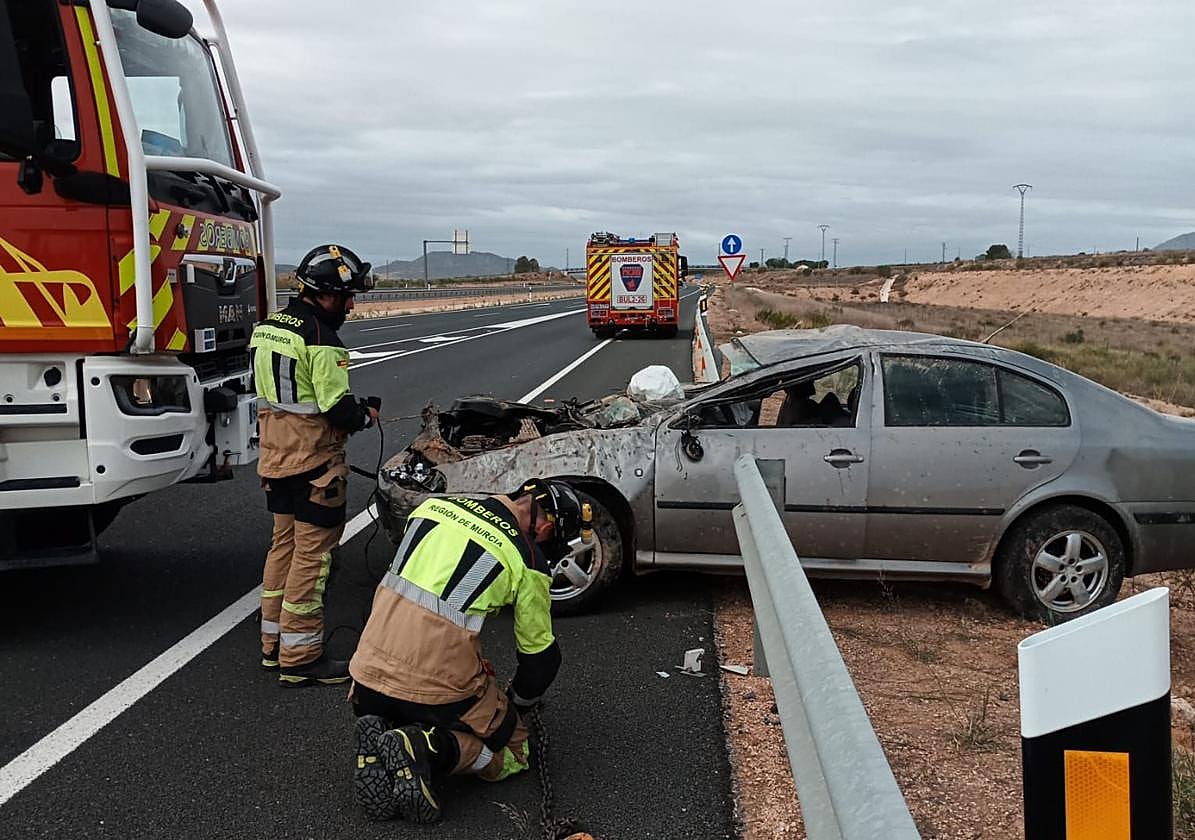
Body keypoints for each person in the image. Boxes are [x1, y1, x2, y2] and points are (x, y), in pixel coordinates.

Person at [347, 478, 589, 824]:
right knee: (515, 750)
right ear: (547, 526)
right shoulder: (527, 558)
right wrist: (516, 707)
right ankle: (426, 749)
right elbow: (541, 659)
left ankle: (385, 726)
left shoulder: (433, 508)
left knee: (435, 669)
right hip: (434, 688)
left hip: (366, 675)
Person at [250, 244, 379, 687]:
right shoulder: (323, 341)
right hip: (314, 465)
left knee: (281, 549)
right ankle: (301, 657)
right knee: (313, 559)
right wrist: (364, 415)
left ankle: (272, 646)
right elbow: (335, 409)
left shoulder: (268, 328)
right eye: (347, 297)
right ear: (326, 295)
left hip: (275, 460)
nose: (350, 306)